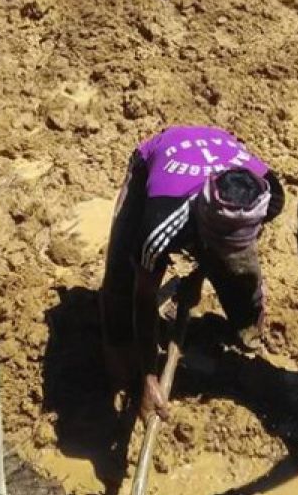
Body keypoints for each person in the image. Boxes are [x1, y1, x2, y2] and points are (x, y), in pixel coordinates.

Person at [100, 125, 285, 424]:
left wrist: (200, 274)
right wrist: (149, 377)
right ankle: (119, 361)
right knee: (121, 274)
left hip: (215, 144)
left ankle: (247, 324)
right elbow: (143, 298)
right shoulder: (158, 226)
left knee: (240, 269)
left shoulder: (270, 194)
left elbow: (234, 244)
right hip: (155, 160)